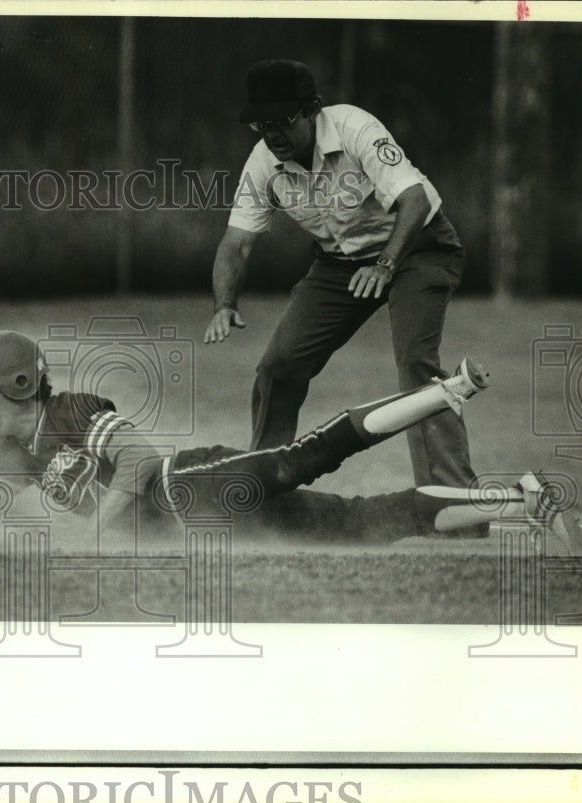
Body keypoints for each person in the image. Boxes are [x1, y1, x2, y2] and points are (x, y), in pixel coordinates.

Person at [0, 332, 578, 551]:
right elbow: (16, 524)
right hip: (206, 537)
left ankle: (447, 391)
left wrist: (91, 536)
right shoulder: (9, 456)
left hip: (191, 487)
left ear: (21, 381)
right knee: (366, 525)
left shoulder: (70, 409)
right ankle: (521, 503)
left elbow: (140, 462)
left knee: (300, 458)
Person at [204, 59, 476, 504]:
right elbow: (236, 244)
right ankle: (267, 495)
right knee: (280, 364)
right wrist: (223, 303)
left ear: (312, 108)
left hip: (418, 248)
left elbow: (413, 198)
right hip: (341, 264)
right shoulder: (262, 163)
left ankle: (451, 502)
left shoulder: (355, 129)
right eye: (260, 123)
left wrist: (386, 264)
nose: (271, 133)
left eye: (281, 120)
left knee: (415, 363)